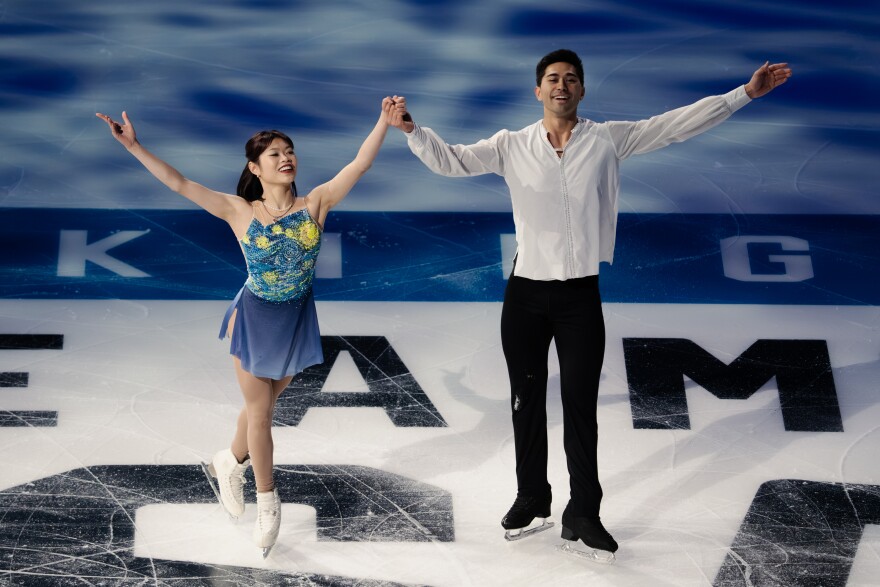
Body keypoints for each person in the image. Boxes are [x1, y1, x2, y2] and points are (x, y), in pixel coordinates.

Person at [388, 49, 791, 560]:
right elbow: (453, 161)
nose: (561, 86)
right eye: (552, 79)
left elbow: (675, 126)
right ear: (538, 91)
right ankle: (532, 497)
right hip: (526, 294)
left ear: (581, 90)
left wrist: (745, 94)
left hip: (579, 296)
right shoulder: (511, 145)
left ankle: (584, 512)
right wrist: (411, 129)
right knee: (525, 400)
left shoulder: (607, 139)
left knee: (580, 406)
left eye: (571, 79)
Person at [96, 97, 407, 557]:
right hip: (254, 318)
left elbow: (359, 165)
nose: (286, 158)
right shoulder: (239, 210)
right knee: (261, 414)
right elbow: (179, 183)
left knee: (261, 405)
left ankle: (228, 459)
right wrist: (134, 147)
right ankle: (268, 500)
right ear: (255, 167)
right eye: (275, 154)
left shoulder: (315, 203)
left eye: (289, 151)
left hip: (297, 319)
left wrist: (382, 122)